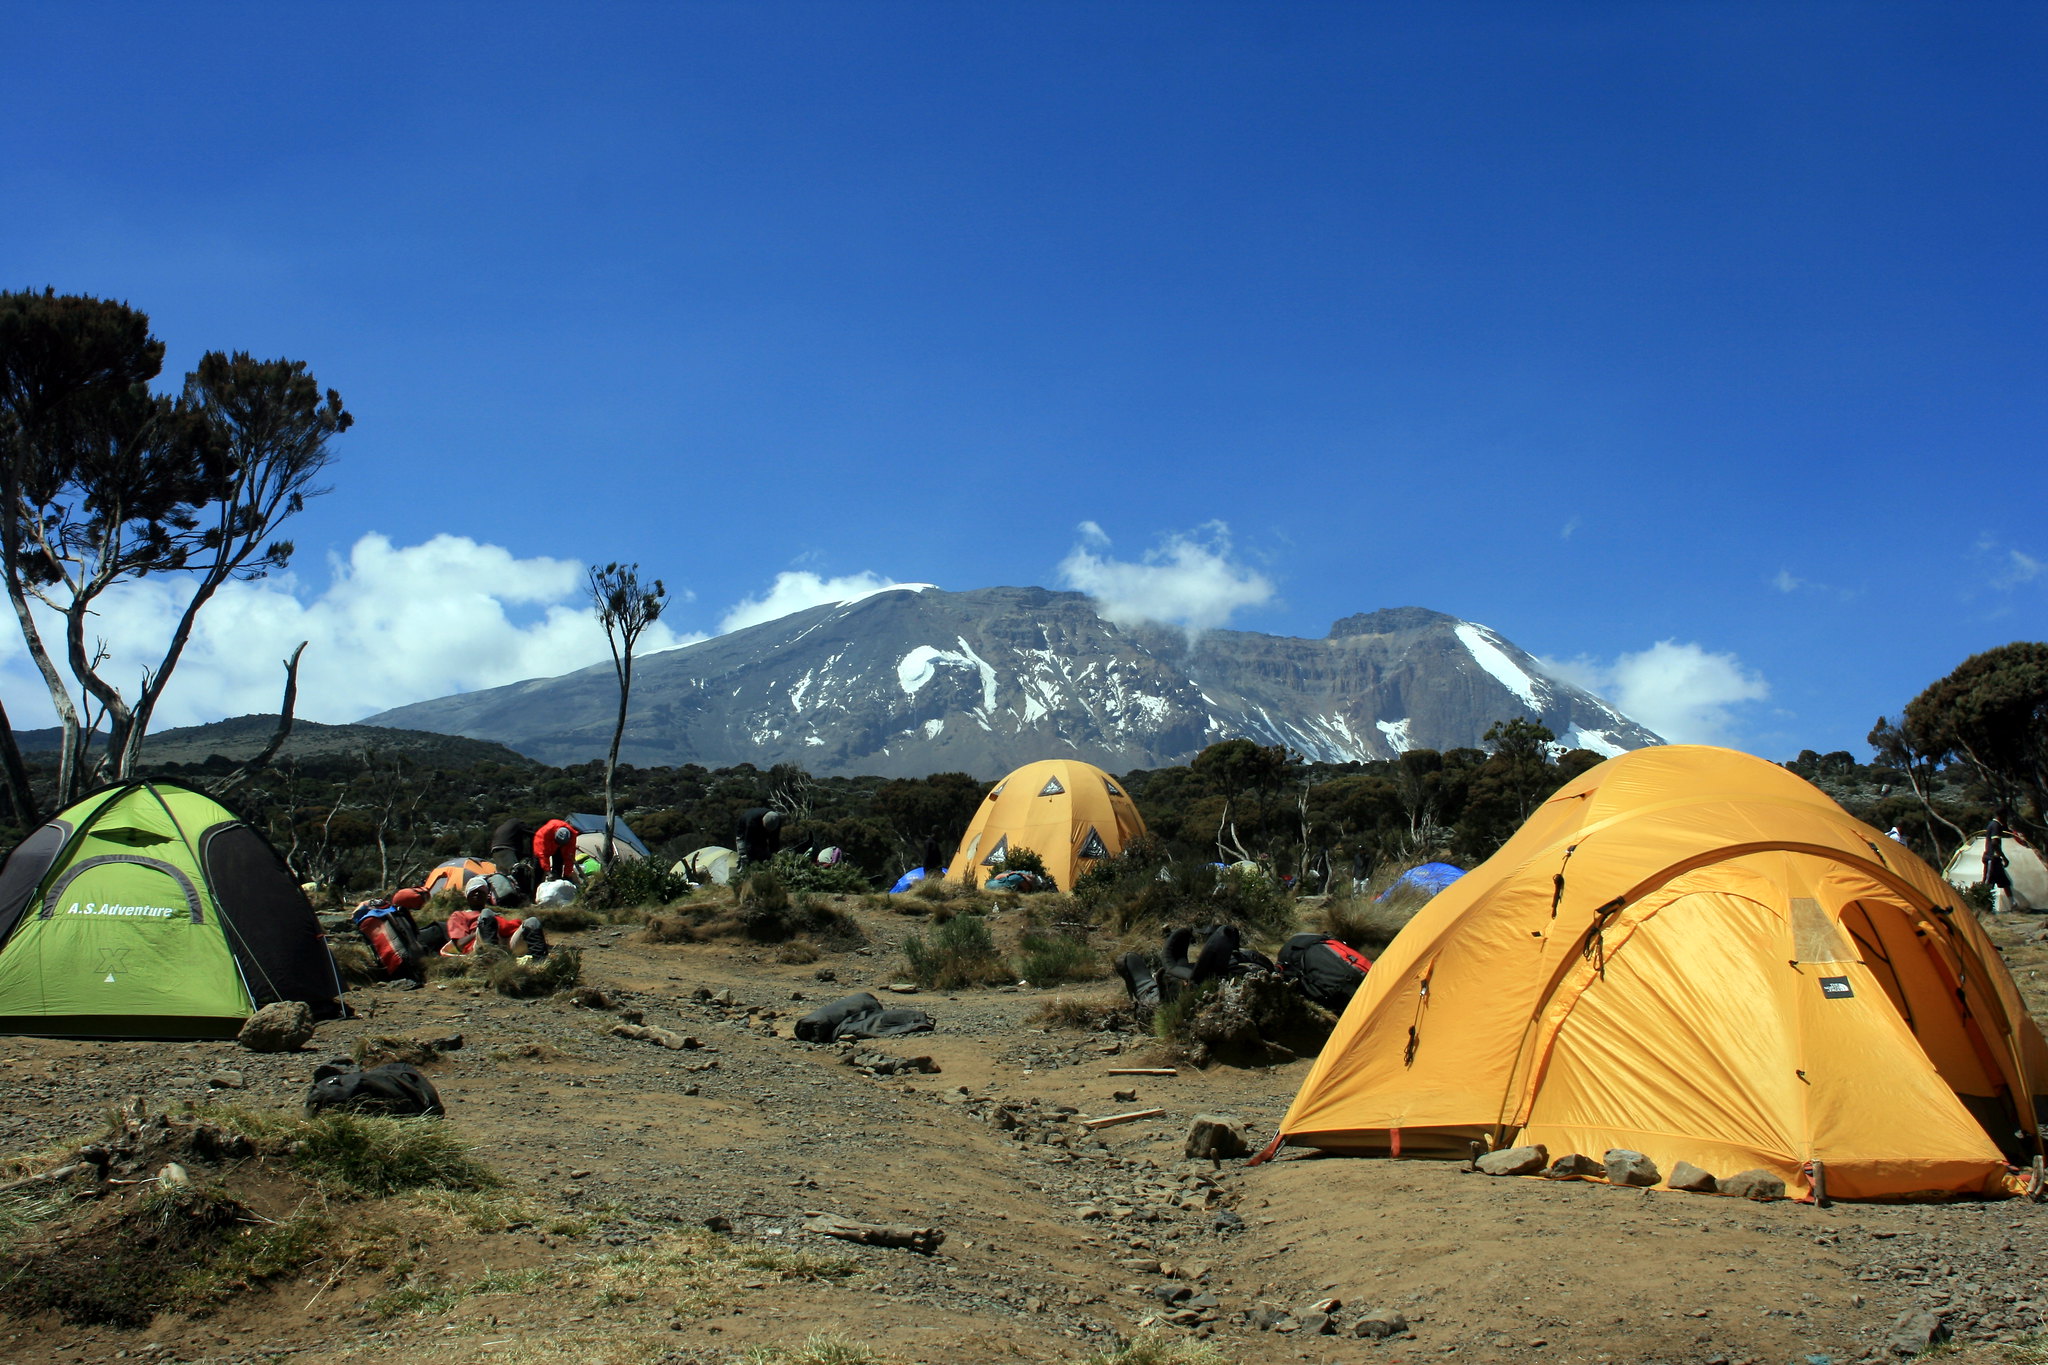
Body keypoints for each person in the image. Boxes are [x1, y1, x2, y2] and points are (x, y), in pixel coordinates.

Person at [444, 876, 550, 957]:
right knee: (486, 913)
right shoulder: (459, 915)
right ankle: (491, 956)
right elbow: (458, 944)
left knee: (532, 922)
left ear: (486, 896)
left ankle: (540, 960)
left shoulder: (493, 915)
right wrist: (481, 929)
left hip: (506, 944)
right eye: (473, 892)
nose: (477, 894)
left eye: (480, 892)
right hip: (479, 947)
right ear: (467, 896)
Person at [490, 817, 536, 898]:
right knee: (517, 872)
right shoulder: (518, 823)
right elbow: (533, 834)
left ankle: (503, 898)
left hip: (495, 850)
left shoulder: (502, 827)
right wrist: (533, 853)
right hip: (507, 849)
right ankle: (523, 898)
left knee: (504, 878)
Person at [735, 807, 782, 872]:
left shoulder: (777, 820)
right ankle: (743, 875)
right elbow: (748, 843)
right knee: (745, 859)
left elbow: (774, 840)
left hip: (761, 835)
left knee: (764, 857)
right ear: (762, 822)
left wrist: (774, 856)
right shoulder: (752, 821)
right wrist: (751, 861)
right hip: (744, 835)